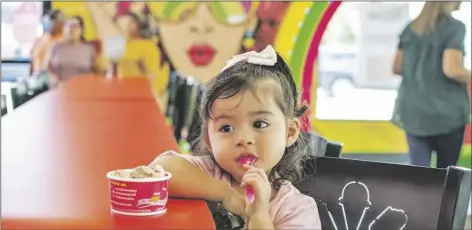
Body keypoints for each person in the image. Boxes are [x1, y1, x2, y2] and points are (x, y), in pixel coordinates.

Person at [149, 45, 321, 229]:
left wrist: (259, 215)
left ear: (290, 132)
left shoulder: (296, 209)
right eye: (227, 127)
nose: (244, 139)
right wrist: (225, 194)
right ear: (208, 138)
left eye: (259, 124)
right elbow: (157, 172)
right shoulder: (209, 173)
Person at [392, 2, 471, 168]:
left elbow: (397, 67)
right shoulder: (454, 28)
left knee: (419, 173)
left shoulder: (411, 28)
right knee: (447, 174)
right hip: (446, 113)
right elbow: (452, 70)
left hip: (413, 112)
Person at [45, 16, 102, 87]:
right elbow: (48, 69)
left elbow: (97, 71)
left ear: (81, 30)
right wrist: (56, 82)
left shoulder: (89, 49)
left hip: (84, 89)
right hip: (61, 89)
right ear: (65, 29)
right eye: (69, 26)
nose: (72, 30)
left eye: (76, 27)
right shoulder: (56, 47)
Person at [31, 9, 65, 74]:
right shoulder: (43, 39)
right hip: (39, 76)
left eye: (56, 22)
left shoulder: (65, 40)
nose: (51, 24)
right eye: (51, 21)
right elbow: (35, 57)